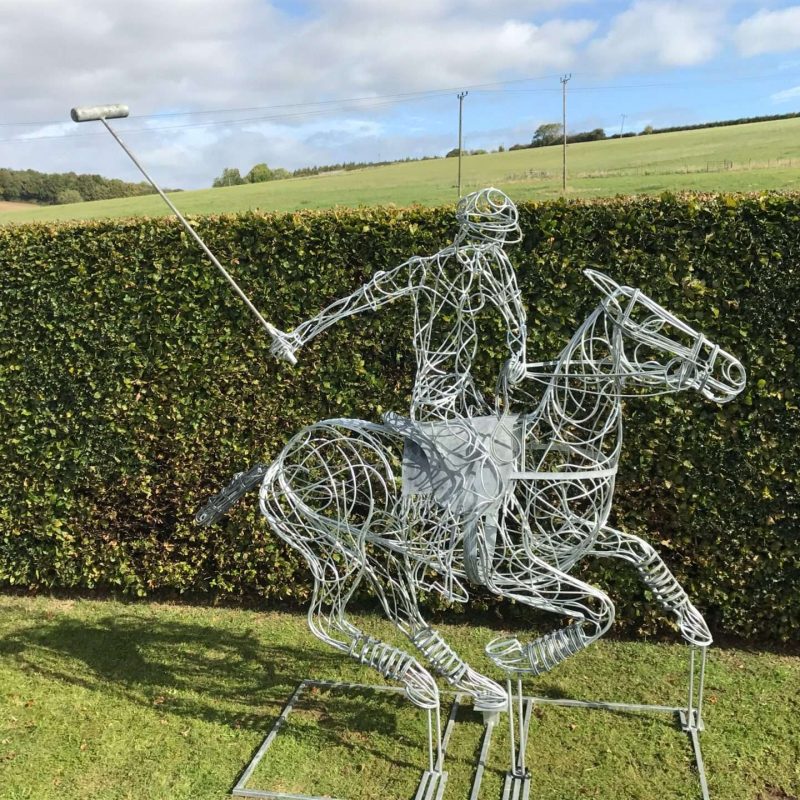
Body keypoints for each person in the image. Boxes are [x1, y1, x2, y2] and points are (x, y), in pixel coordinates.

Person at [270, 187, 529, 589]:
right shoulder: (426, 270)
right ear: (468, 234)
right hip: (435, 391)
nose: (492, 251)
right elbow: (359, 299)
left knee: (505, 456)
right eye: (486, 241)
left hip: (470, 391)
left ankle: (485, 555)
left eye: (496, 242)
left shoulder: (494, 268)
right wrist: (299, 334)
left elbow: (514, 317)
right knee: (462, 469)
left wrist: (518, 356)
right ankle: (438, 559)